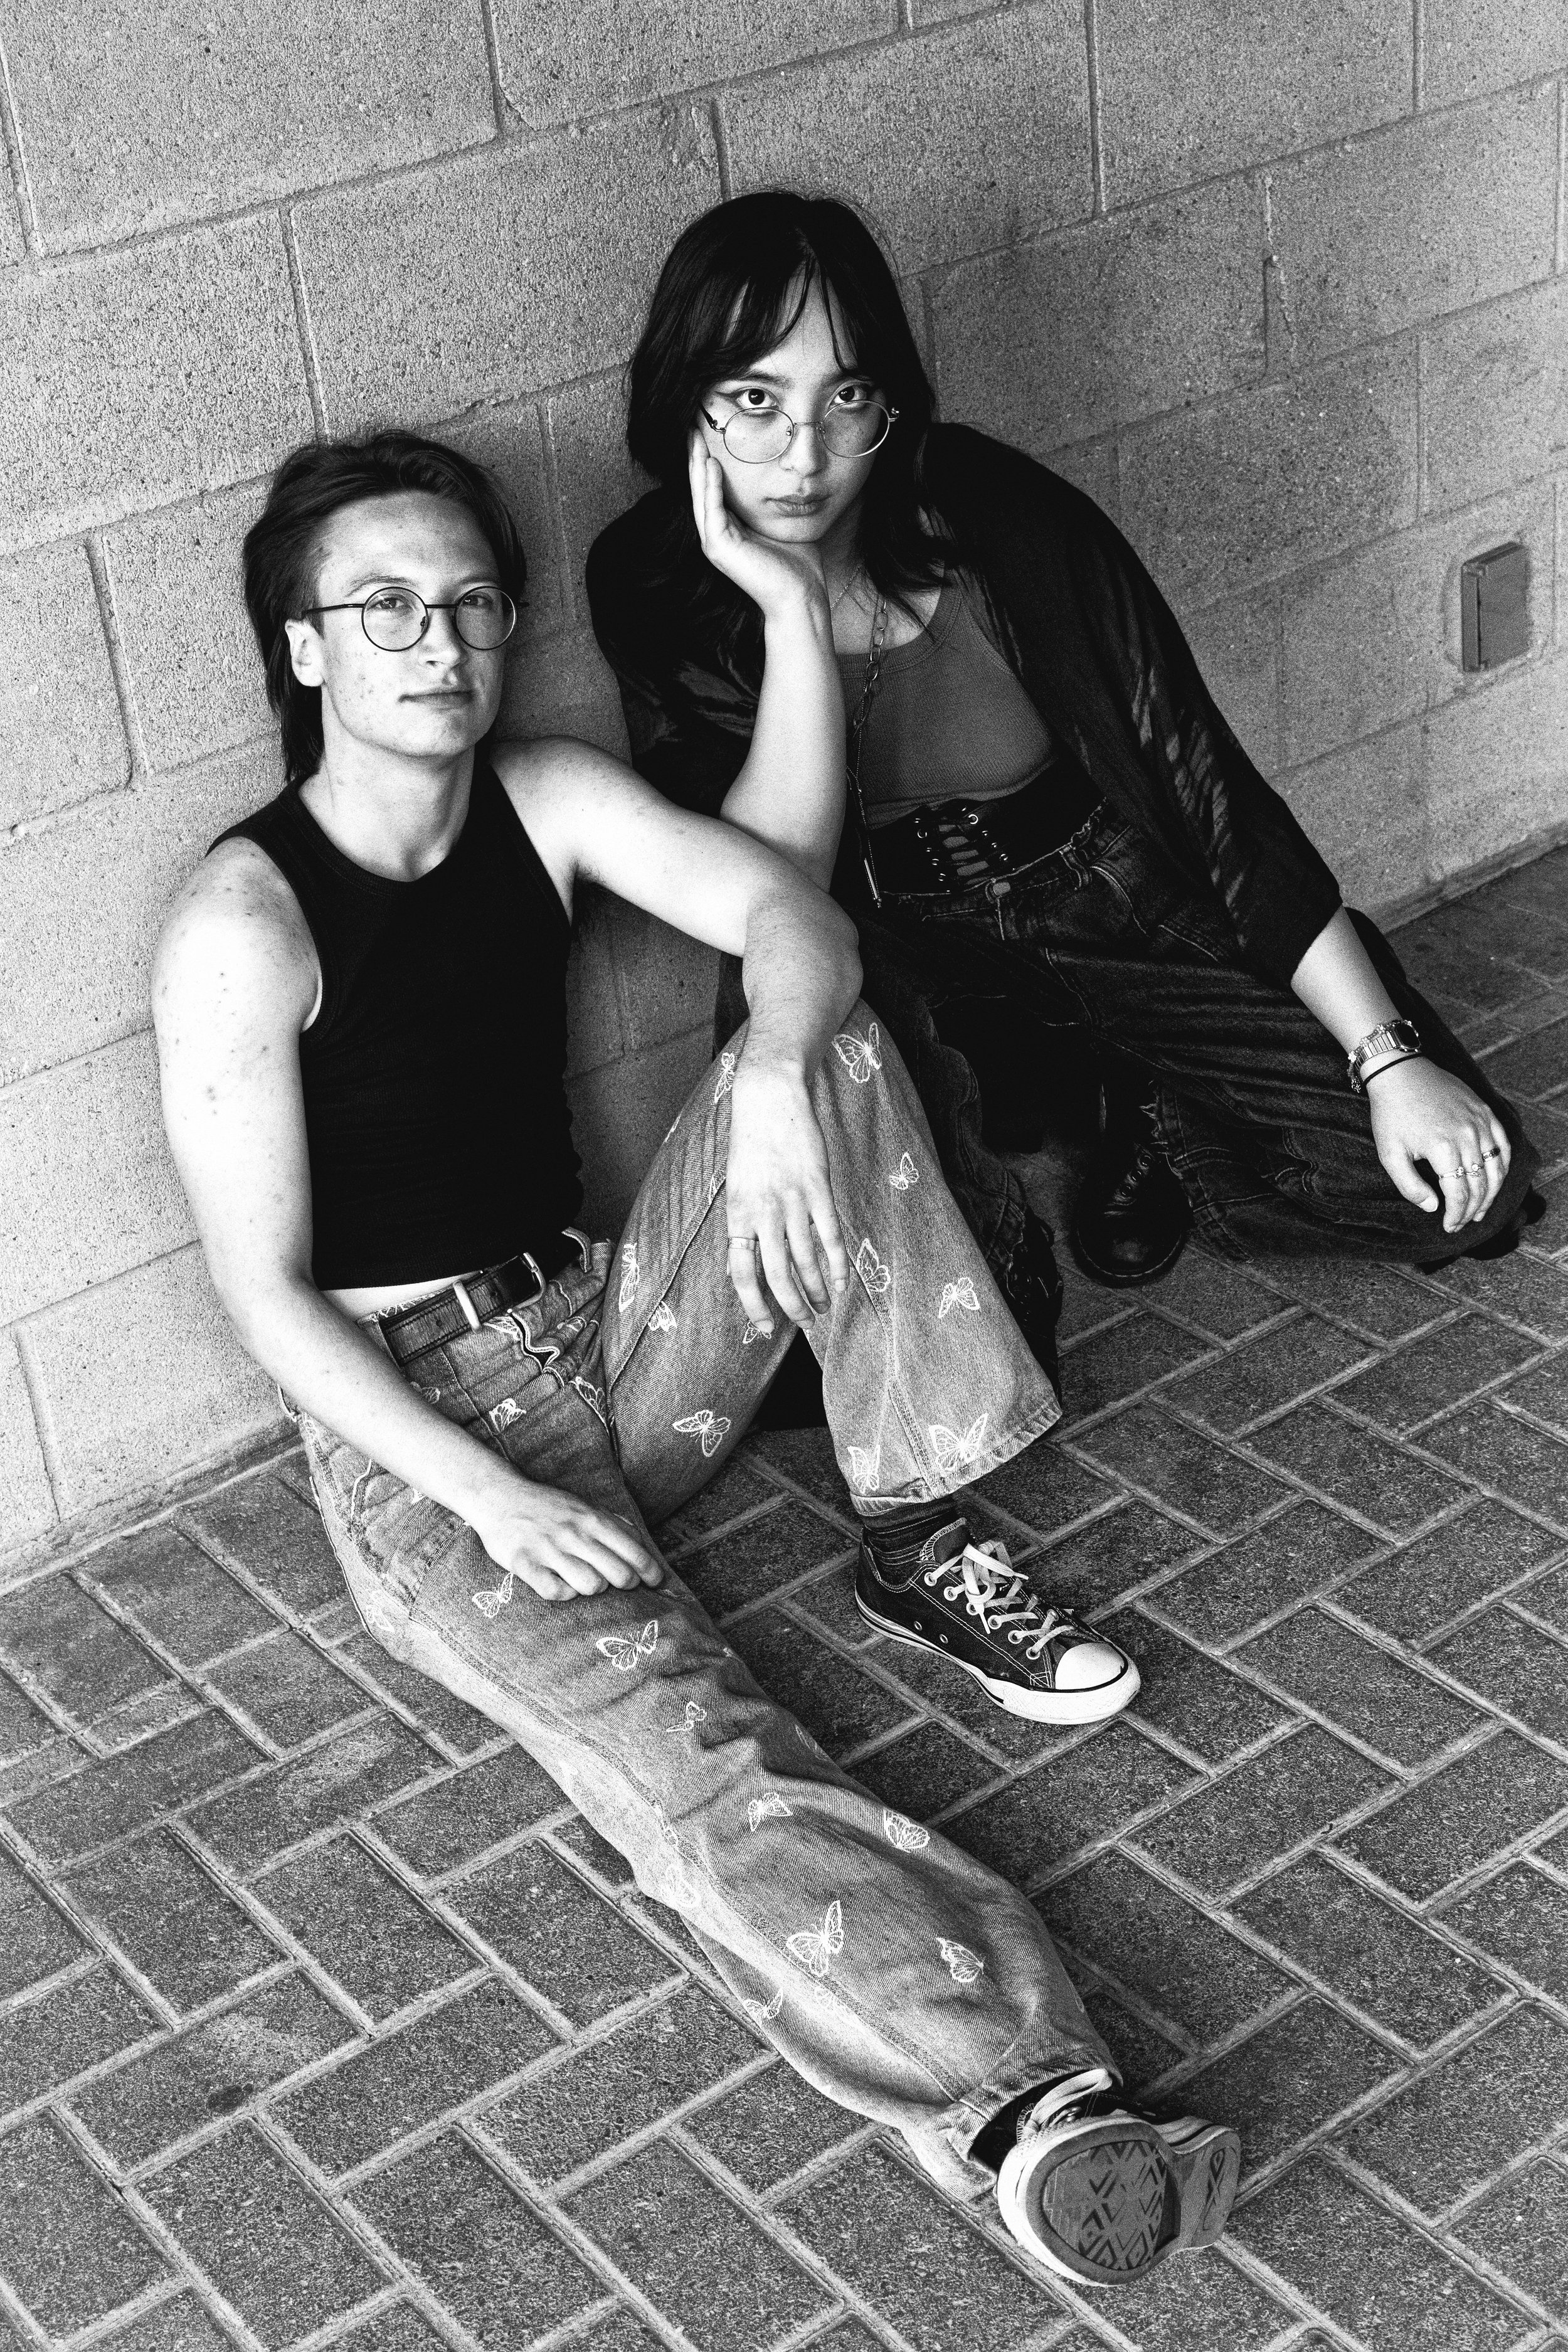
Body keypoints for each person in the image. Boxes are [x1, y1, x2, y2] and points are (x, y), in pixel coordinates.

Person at [151, 428, 1241, 2286]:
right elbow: (265, 1299)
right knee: (705, 1758)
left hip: (605, 1327)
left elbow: (789, 916)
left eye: (470, 601)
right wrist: (487, 1495)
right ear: (304, 648)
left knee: (833, 1047)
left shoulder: (542, 796)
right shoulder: (244, 923)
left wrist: (776, 1068)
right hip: (426, 1442)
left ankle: (914, 1526)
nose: (439, 640)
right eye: (383, 606)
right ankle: (1031, 2108)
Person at [586, 189, 1542, 1369]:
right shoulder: (651, 584)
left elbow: (1208, 788)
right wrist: (788, 610)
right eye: (753, 401)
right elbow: (772, 889)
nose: (805, 454)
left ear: (890, 397)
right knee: (976, 1328)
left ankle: (1150, 1108)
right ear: (686, 399)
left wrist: (1389, 1059)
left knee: (1460, 1190)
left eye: (847, 396)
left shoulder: (989, 507)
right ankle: (1035, 1143)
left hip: (1106, 892)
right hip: (890, 943)